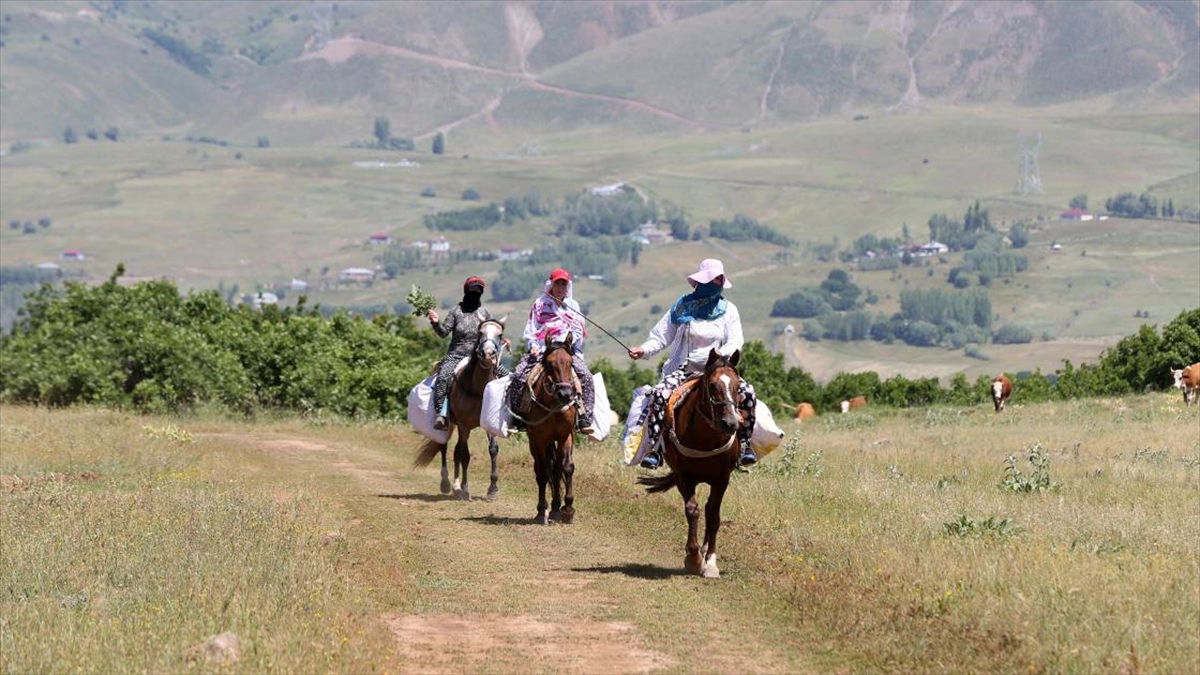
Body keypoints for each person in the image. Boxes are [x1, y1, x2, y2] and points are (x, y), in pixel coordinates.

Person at [627, 258, 758, 468]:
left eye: (720, 280)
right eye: (714, 280)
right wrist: (643, 350)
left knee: (748, 393)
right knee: (659, 396)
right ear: (702, 281)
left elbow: (736, 341)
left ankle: (744, 445)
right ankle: (655, 448)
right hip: (684, 370)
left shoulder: (729, 310)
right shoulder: (681, 306)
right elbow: (661, 337)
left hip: (717, 371)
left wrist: (718, 358)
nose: (717, 284)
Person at [506, 268, 595, 435]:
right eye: (557, 283)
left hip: (567, 351)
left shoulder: (573, 306)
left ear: (568, 286)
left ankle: (584, 417)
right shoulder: (540, 304)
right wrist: (533, 344)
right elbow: (531, 329)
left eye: (564, 283)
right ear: (551, 285)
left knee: (587, 377)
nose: (561, 287)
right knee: (519, 375)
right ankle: (517, 417)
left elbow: (578, 330)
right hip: (541, 349)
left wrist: (565, 343)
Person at [427, 276, 509, 430]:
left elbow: (492, 332)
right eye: (472, 290)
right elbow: (444, 333)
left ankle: (507, 415)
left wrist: (503, 340)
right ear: (466, 291)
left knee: (507, 377)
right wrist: (436, 322)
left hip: (480, 356)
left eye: (478, 291)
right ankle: (441, 415)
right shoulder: (455, 312)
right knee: (443, 377)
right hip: (456, 355)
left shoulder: (484, 312)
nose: (475, 294)